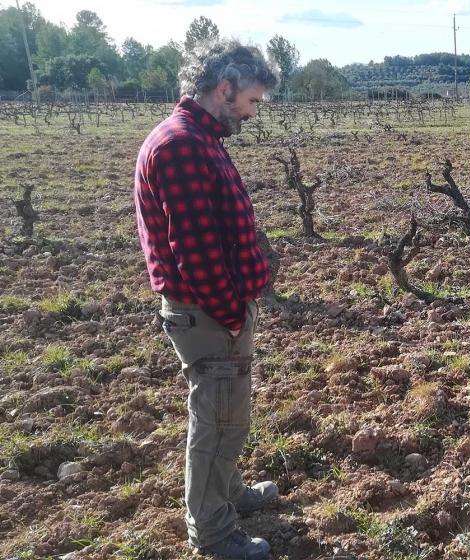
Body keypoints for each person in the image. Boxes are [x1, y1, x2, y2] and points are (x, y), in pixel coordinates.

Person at [134, 38, 280, 560]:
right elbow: (193, 252)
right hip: (207, 313)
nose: (253, 112)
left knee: (228, 413)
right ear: (225, 88)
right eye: (252, 101)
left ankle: (228, 493)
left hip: (217, 309)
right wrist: (231, 314)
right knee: (217, 418)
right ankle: (213, 533)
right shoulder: (181, 146)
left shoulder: (200, 137)